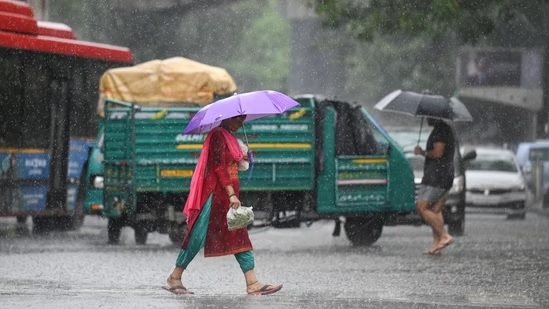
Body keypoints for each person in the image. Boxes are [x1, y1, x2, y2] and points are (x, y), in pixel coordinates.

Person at [164, 114, 283, 295]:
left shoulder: (230, 137)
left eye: (243, 119)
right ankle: (175, 276)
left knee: (239, 234)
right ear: (227, 118)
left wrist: (244, 156)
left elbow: (233, 164)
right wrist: (232, 194)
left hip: (227, 197)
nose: (241, 123)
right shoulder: (218, 135)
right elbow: (219, 167)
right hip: (215, 195)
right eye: (238, 119)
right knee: (197, 236)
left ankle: (252, 283)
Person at [414, 117, 455, 255]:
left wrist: (422, 152)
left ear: (435, 116)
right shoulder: (445, 129)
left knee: (422, 207)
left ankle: (444, 236)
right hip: (445, 175)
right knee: (435, 210)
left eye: (428, 116)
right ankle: (437, 244)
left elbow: (437, 153)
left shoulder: (440, 131)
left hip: (436, 177)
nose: (426, 118)